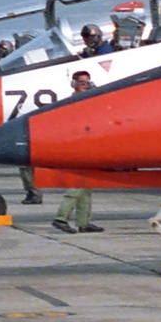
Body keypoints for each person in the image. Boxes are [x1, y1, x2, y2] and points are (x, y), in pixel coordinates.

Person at [52, 70, 102, 233]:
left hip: (88, 147)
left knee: (87, 187)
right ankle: (61, 218)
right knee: (78, 185)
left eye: (87, 83)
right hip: (77, 148)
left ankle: (84, 222)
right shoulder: (72, 102)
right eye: (82, 83)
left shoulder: (89, 99)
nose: (85, 85)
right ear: (74, 85)